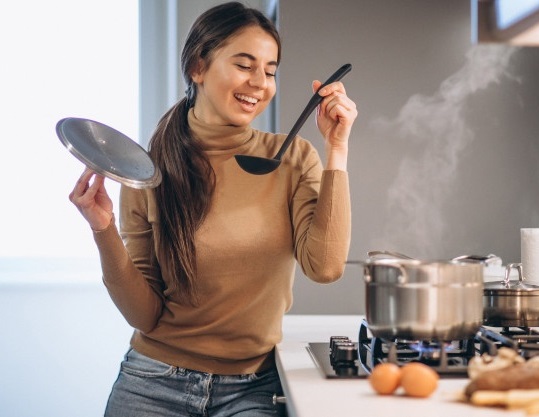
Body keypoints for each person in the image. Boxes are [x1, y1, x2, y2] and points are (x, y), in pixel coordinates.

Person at [69, 2, 357, 416]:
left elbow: (325, 268)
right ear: (198, 67)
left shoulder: (294, 158)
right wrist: (103, 230)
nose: (259, 82)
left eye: (271, 70)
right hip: (152, 383)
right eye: (245, 65)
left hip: (253, 389)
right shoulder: (148, 168)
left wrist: (338, 149)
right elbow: (144, 315)